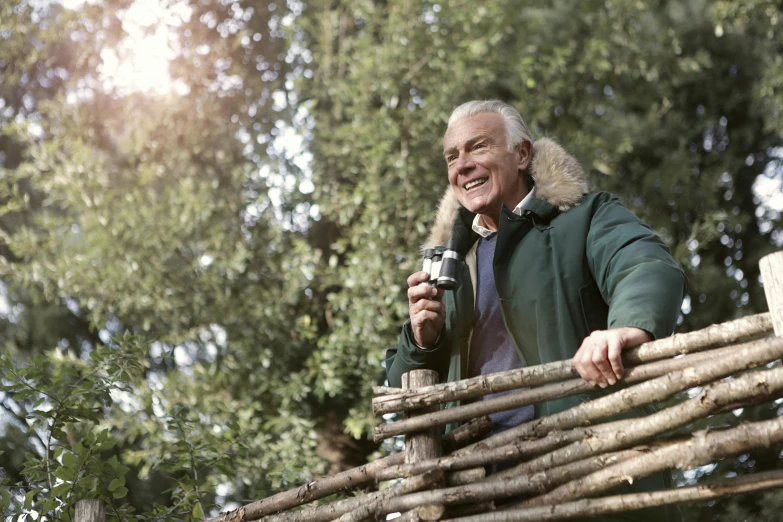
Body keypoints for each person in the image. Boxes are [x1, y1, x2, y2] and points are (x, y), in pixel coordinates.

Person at [384, 100, 687, 520]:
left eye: (479, 147)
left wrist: (626, 327)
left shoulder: (585, 218)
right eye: (452, 156)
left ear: (522, 154)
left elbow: (643, 263)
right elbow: (403, 396)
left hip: (581, 472)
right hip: (478, 491)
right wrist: (422, 341)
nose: (463, 165)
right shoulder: (449, 267)